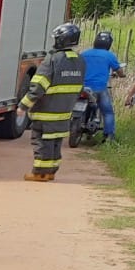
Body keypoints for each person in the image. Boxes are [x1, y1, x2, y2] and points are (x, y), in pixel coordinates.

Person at [18, 22, 85, 181]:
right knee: (55, 142)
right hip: (64, 112)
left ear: (61, 40)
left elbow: (38, 87)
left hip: (45, 112)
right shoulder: (80, 61)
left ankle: (40, 173)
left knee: (42, 143)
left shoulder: (53, 60)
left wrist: (23, 105)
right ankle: (51, 171)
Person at [78, 30, 123, 142]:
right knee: (108, 112)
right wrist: (121, 75)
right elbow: (119, 71)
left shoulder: (84, 53)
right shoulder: (109, 56)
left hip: (82, 87)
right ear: (109, 44)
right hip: (100, 88)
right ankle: (109, 137)